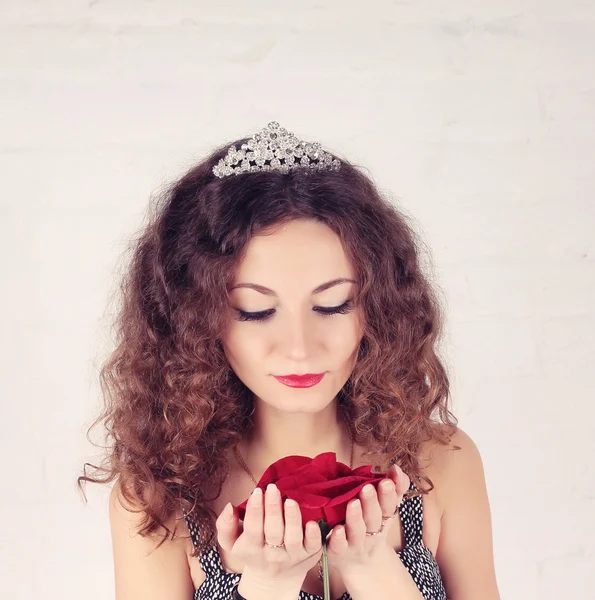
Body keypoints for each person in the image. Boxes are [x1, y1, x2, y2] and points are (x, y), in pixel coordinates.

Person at [78, 122, 500, 600]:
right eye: (255, 311)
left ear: (378, 308)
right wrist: (264, 586)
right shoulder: (158, 499)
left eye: (334, 305)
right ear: (195, 320)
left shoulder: (441, 460)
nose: (300, 347)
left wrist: (373, 570)